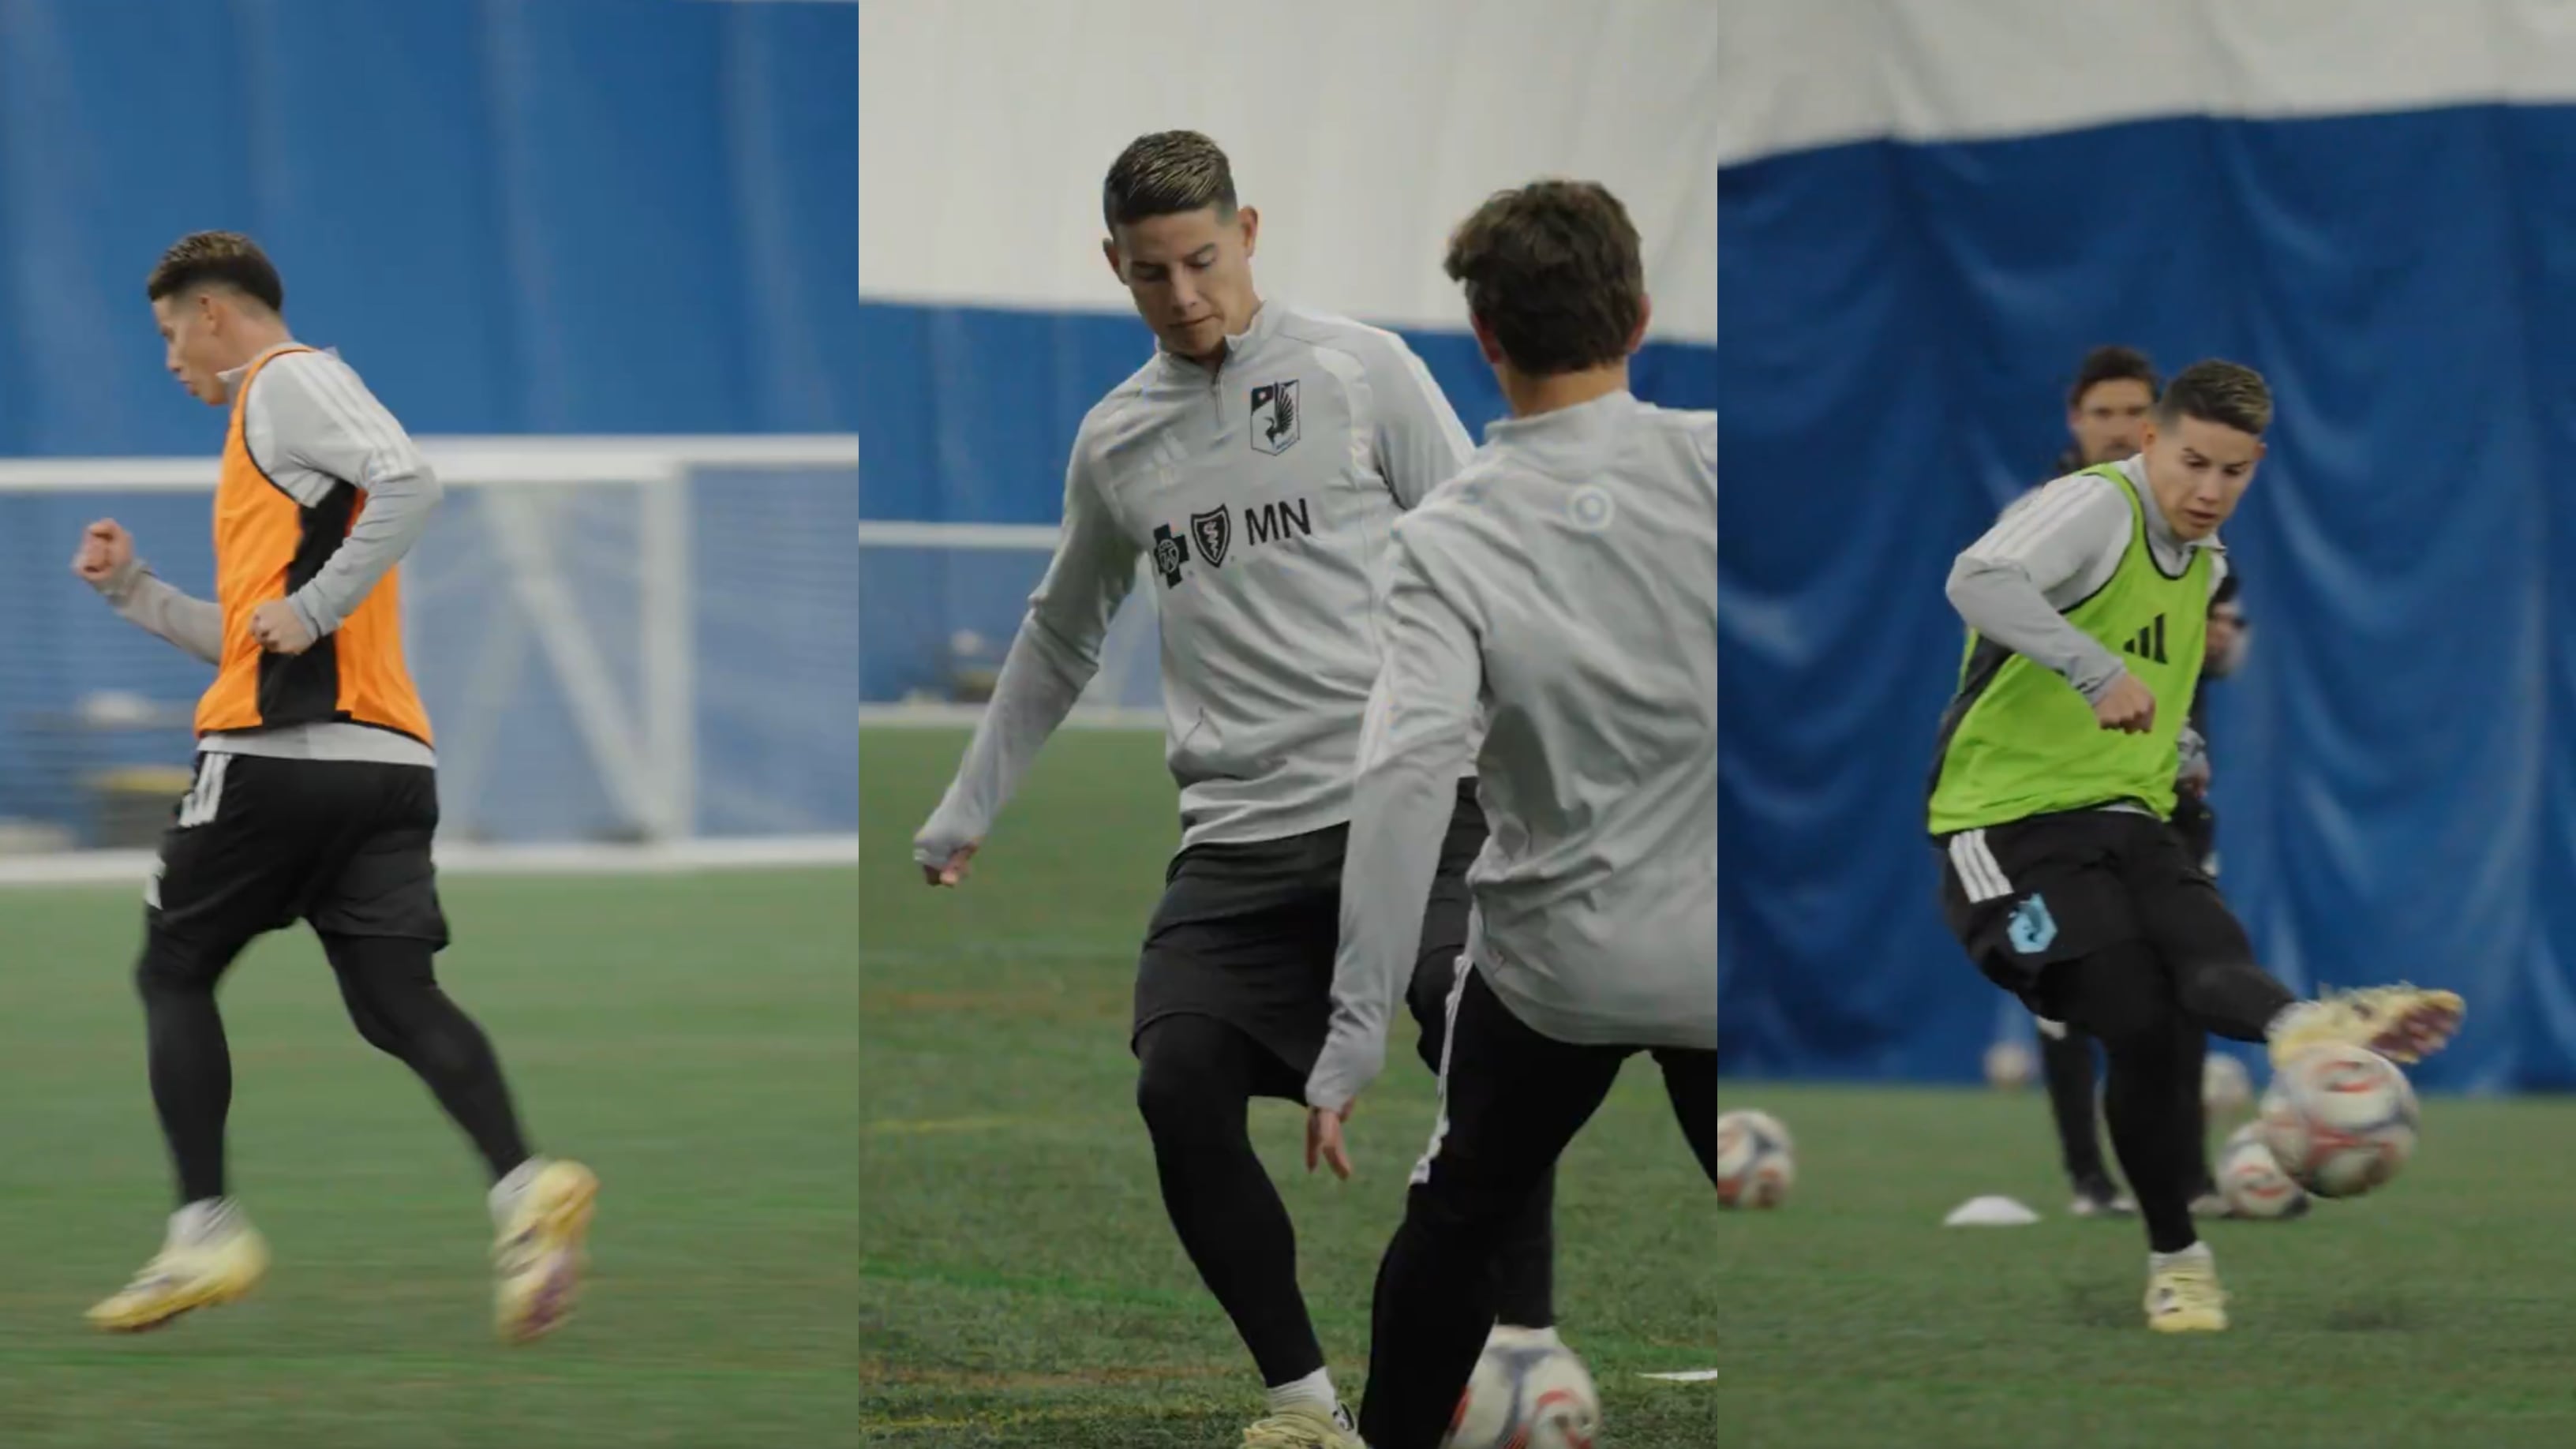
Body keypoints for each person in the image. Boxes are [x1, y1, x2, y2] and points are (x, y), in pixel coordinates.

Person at [909, 131, 1557, 1448]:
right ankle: (1305, 1409)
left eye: (1202, 259)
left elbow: (1490, 551)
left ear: (1247, 232)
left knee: (1483, 1029)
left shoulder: (1362, 370)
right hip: (1240, 841)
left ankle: (1522, 1352)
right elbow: (1060, 633)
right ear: (1114, 266)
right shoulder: (1115, 440)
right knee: (1177, 1083)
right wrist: (966, 803)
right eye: (1151, 272)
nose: (1184, 293)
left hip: (1421, 807)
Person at [73, 231, 595, 1342]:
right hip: (383, 767)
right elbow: (251, 639)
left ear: (213, 314)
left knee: (174, 970)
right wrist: (134, 591)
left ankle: (205, 1231)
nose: (169, 360)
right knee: (394, 1000)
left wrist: (311, 611)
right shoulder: (282, 448)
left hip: (275, 761)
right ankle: (525, 1190)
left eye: (169, 334)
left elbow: (413, 482)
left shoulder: (286, 383)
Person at [1301, 178, 1715, 1449]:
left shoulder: (1445, 536)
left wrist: (1355, 1030)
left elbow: (1404, 778)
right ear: (1639, 317)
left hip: (1555, 976)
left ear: (1484, 336)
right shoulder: (1723, 461)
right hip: (1725, 961)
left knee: (1459, 1212)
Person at [1928, 358, 2462, 1331]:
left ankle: (2306, 1031)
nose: (2210, 490)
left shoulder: (2205, 565)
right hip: (2007, 828)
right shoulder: (2096, 505)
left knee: (2204, 973)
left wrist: (2178, 744)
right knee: (2132, 1011)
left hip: (2131, 818)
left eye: (2234, 471)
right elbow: (1976, 579)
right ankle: (2174, 1251)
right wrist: (2094, 674)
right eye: (2193, 463)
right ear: (2151, 443)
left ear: (2258, 466)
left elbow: (2159, 679)